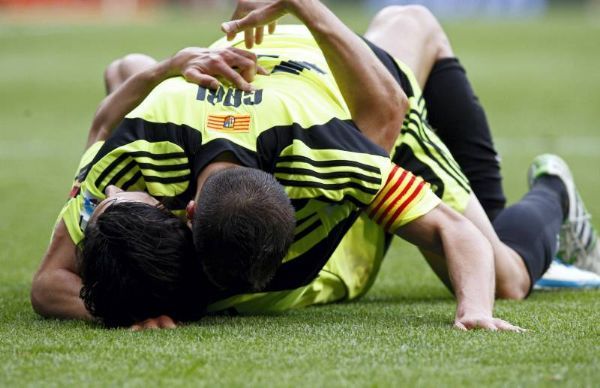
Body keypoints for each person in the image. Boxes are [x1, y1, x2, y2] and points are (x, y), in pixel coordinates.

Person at [32, 0, 597, 330]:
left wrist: (472, 312)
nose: (97, 203)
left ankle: (555, 192)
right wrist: (123, 310)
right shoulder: (129, 167)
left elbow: (387, 113)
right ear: (180, 211)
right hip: (248, 81)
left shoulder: (328, 153)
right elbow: (48, 282)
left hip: (348, 96)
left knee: (503, 278)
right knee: (127, 67)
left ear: (185, 209)